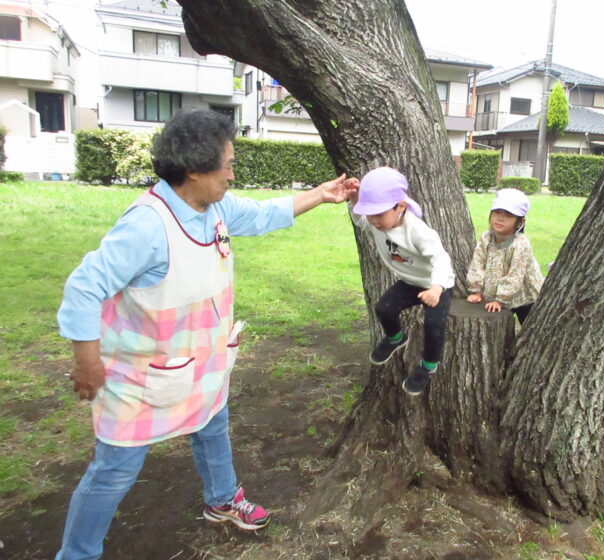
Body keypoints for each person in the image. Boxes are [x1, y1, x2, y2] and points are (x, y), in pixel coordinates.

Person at [55, 109, 358, 560]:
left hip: (202, 362)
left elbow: (260, 215)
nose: (233, 174)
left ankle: (222, 500)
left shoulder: (211, 206)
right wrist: (87, 361)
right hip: (140, 375)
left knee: (213, 425)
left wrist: (322, 193)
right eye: (228, 164)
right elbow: (83, 288)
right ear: (194, 171)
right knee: (116, 468)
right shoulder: (147, 226)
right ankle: (77, 554)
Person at [348, 167, 454, 396]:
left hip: (436, 284)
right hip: (409, 282)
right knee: (384, 308)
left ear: (401, 207)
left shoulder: (417, 230)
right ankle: (397, 338)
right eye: (371, 214)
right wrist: (355, 198)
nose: (374, 221)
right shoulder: (376, 222)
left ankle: (428, 366)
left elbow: (441, 258)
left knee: (433, 325)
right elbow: (359, 220)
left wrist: (436, 288)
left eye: (379, 214)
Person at [466, 188, 545, 325]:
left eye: (508, 215)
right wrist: (477, 290)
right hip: (496, 296)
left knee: (529, 327)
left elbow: (516, 274)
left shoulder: (520, 244)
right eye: (497, 212)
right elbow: (477, 263)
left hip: (524, 297)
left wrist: (501, 299)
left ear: (520, 221)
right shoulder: (486, 237)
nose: (500, 218)